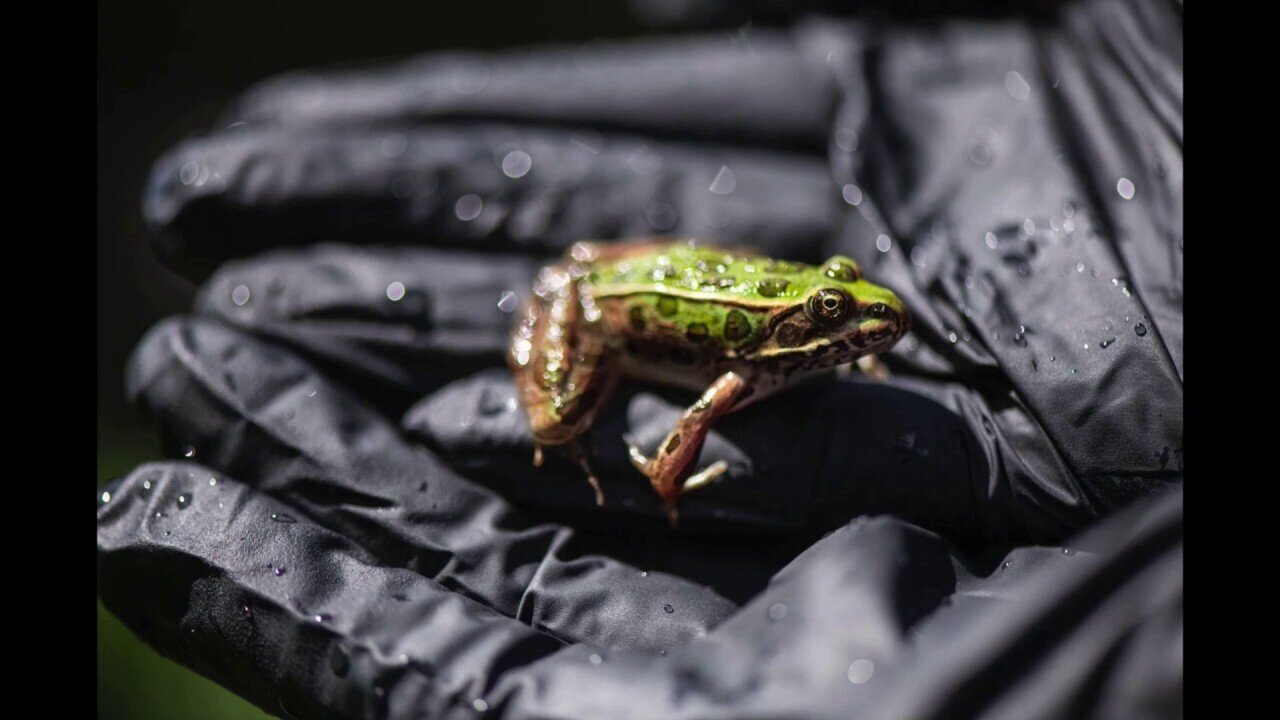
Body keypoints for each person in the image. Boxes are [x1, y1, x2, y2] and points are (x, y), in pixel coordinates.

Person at [98, 0, 1183, 717]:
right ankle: (565, 420)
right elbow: (682, 439)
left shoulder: (800, 335)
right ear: (788, 331)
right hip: (608, 310)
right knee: (558, 419)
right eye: (831, 322)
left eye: (840, 319)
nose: (853, 327)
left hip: (642, 267)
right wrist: (667, 474)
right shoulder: (747, 364)